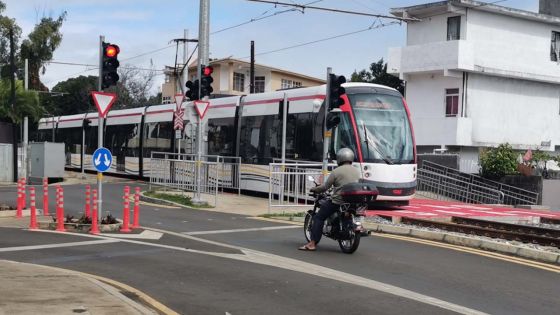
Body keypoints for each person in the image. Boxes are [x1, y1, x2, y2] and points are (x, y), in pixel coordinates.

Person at [298, 148, 360, 251]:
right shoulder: (356, 171)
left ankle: (312, 244)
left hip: (338, 201)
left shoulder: (336, 171)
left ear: (340, 158)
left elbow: (325, 187)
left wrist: (314, 189)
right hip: (352, 202)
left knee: (319, 217)